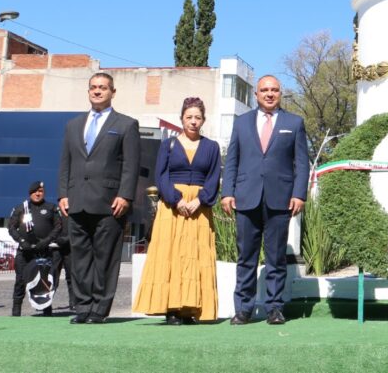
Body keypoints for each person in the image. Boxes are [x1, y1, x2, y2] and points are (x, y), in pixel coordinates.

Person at [221, 75, 310, 326]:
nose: (269, 94)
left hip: (280, 199)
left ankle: (274, 308)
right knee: (245, 257)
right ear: (256, 94)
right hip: (246, 198)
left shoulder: (294, 123)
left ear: (280, 93)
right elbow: (232, 160)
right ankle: (243, 309)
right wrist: (227, 192)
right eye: (264, 90)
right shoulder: (241, 123)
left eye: (274, 90)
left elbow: (302, 163)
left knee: (276, 257)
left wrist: (299, 194)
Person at [57, 72, 140, 324]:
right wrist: (63, 194)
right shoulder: (73, 125)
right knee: (79, 258)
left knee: (105, 258)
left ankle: (99, 309)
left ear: (112, 92)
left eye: (103, 87)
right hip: (76, 201)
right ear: (88, 91)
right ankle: (82, 307)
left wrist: (125, 195)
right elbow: (66, 162)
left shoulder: (126, 124)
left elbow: (131, 165)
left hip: (110, 203)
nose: (97, 91)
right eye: (93, 87)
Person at [133, 97, 221, 324]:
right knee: (171, 255)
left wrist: (200, 200)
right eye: (189, 117)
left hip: (199, 209)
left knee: (196, 256)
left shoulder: (212, 147)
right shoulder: (168, 145)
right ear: (181, 119)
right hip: (172, 208)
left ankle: (190, 308)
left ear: (204, 120)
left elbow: (213, 178)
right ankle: (172, 308)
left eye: (197, 117)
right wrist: (176, 200)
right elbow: (161, 175)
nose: (193, 121)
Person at [7, 180, 63, 316]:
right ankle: (16, 312)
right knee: (20, 280)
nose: (38, 194)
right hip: (25, 252)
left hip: (44, 251)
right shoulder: (21, 208)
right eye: (35, 192)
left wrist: (47, 241)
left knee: (45, 281)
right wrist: (22, 241)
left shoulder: (51, 208)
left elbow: (58, 227)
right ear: (30, 193)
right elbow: (11, 228)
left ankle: (47, 310)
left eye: (40, 191)